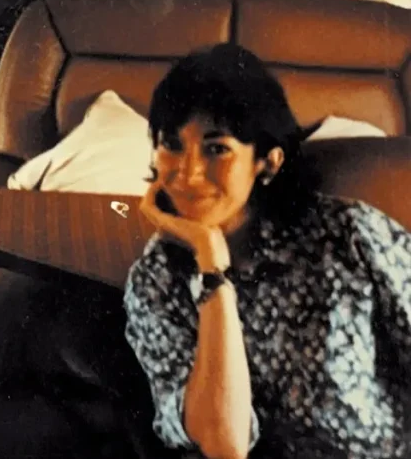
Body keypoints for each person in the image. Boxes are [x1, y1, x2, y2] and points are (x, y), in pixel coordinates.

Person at [125, 43, 411, 459]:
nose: (188, 173)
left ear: (268, 162)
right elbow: (224, 443)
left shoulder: (349, 234)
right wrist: (212, 268)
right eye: (172, 144)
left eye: (216, 148)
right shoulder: (155, 279)